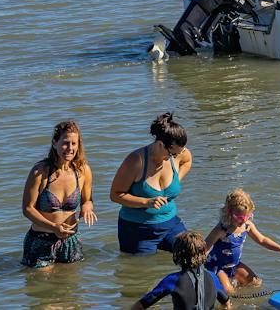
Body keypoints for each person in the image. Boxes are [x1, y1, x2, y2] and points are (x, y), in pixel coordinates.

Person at [111, 112, 192, 253]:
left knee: (192, 252)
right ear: (160, 144)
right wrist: (146, 202)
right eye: (172, 154)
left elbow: (187, 160)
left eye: (179, 153)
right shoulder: (136, 161)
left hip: (170, 224)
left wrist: (176, 180)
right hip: (137, 230)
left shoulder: (179, 154)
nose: (175, 157)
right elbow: (115, 195)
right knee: (144, 273)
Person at [198, 189, 280, 304]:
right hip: (217, 267)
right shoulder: (221, 229)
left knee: (255, 282)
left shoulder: (247, 226)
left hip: (234, 265)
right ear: (229, 212)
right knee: (230, 292)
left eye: (247, 216)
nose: (243, 220)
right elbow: (204, 248)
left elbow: (262, 239)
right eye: (239, 217)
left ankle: (242, 295)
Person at [21, 120, 96, 268]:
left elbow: (88, 200)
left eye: (74, 144)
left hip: (71, 241)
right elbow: (27, 209)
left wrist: (87, 207)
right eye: (65, 143)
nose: (70, 148)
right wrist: (53, 226)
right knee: (44, 288)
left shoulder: (82, 170)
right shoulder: (40, 171)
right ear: (54, 143)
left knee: (69, 287)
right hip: (41, 240)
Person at [128, 231, 212, 310]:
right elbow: (225, 302)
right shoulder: (213, 277)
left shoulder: (173, 280)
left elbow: (140, 305)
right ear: (203, 252)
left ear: (177, 254)